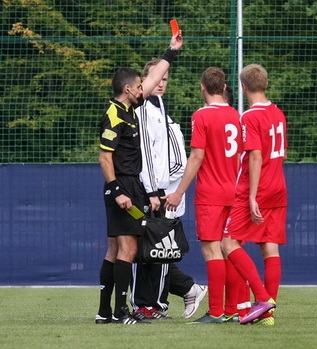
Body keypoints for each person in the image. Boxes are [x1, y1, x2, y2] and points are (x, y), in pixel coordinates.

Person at [95, 30, 183, 325]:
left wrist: (171, 52)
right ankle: (121, 312)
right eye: (138, 85)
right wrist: (117, 190)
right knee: (128, 249)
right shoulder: (115, 113)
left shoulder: (131, 107)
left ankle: (105, 312)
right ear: (128, 88)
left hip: (130, 185)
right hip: (123, 186)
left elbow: (155, 75)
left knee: (114, 249)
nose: (143, 88)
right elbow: (105, 157)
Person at [164, 67, 243, 324]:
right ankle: (232, 309)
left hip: (211, 193)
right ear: (223, 88)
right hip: (236, 191)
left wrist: (178, 192)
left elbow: (197, 156)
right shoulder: (237, 116)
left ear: (203, 87)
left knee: (212, 251)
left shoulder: (201, 116)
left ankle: (216, 311)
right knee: (229, 249)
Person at [130, 58, 207, 321]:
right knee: (149, 249)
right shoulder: (143, 110)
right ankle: (179, 292)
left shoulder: (162, 111)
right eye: (157, 78)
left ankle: (155, 304)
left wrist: (169, 190)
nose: (161, 83)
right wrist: (154, 189)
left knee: (157, 249)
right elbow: (149, 157)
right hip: (152, 191)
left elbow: (173, 160)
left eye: (165, 79)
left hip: (164, 193)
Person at [221, 63, 287, 326]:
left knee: (229, 243)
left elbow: (256, 156)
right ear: (266, 84)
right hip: (278, 185)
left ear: (244, 87)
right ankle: (268, 315)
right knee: (269, 248)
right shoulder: (278, 113)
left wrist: (251, 196)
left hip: (257, 188)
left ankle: (262, 298)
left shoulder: (249, 116)